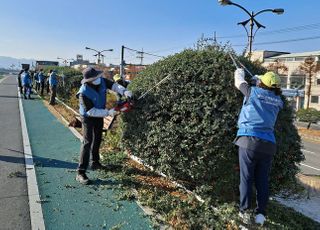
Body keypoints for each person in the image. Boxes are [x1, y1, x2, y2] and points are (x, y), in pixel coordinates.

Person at [233, 69, 283, 225]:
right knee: (262, 180)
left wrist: (239, 72)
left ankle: (245, 211)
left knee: (246, 178)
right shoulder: (278, 100)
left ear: (262, 83)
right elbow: (265, 93)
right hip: (268, 145)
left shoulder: (252, 92)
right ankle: (261, 214)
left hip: (250, 141)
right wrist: (257, 81)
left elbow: (238, 82)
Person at [76, 67, 132, 185]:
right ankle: (80, 172)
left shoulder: (101, 81)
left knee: (97, 138)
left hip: (99, 114)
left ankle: (95, 162)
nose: (98, 79)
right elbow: (91, 111)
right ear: (89, 80)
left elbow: (114, 86)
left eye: (98, 76)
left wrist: (124, 91)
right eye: (95, 78)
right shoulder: (83, 92)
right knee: (87, 141)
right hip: (87, 117)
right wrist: (109, 112)